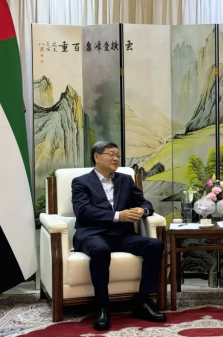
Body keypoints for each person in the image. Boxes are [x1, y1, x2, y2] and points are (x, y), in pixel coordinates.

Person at [72, 141, 166, 331]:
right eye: (111, 154)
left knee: (155, 245)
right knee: (100, 249)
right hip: (93, 234)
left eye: (117, 155)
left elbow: (145, 202)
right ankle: (102, 307)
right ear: (97, 157)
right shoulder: (81, 182)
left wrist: (143, 210)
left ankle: (142, 303)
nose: (116, 158)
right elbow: (83, 211)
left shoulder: (125, 180)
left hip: (121, 235)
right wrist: (117, 216)